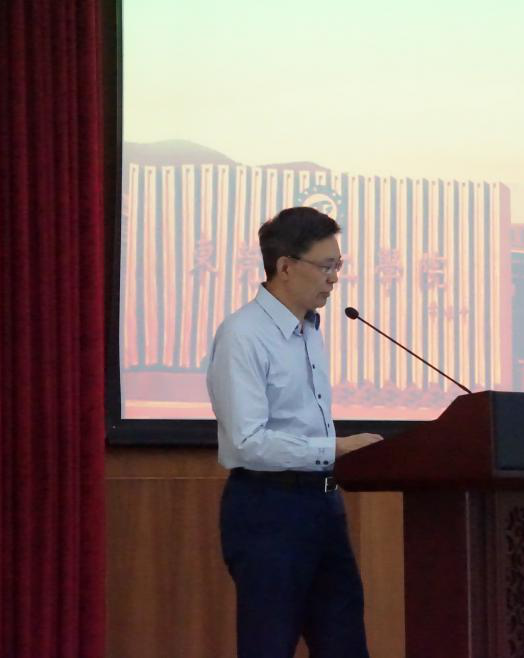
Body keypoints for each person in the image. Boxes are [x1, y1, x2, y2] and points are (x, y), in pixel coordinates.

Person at [207, 206, 383, 658]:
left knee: (345, 644)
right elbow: (247, 442)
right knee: (269, 645)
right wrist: (336, 448)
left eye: (338, 266)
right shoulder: (243, 335)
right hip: (268, 508)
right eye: (326, 266)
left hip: (324, 505)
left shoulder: (309, 331)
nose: (334, 279)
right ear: (285, 267)